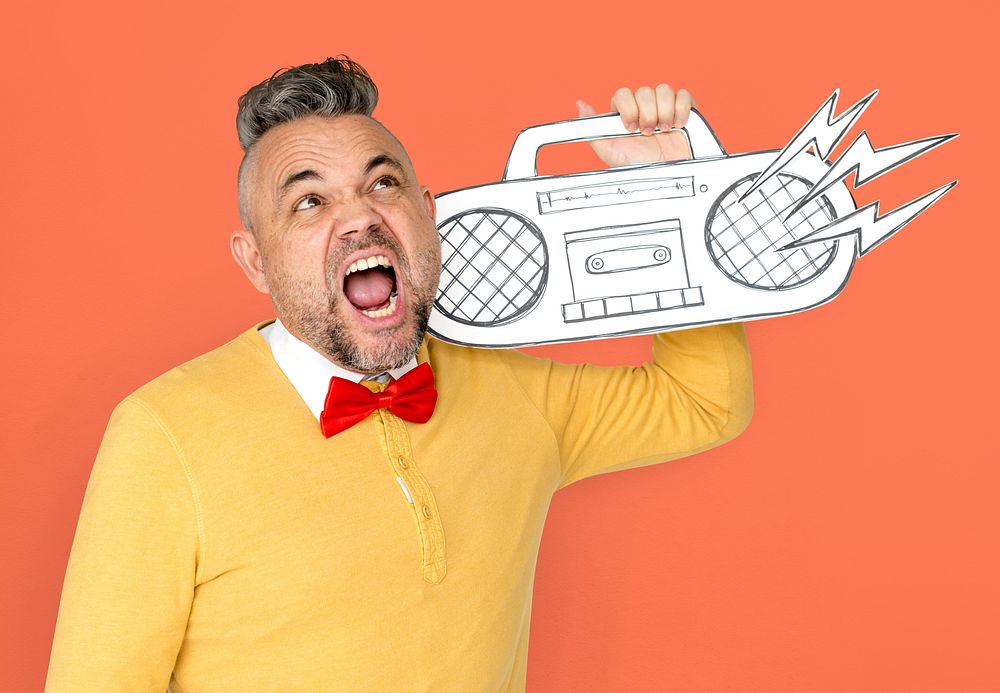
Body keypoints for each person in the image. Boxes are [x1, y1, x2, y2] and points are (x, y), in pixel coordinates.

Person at [45, 57, 753, 691]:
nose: (360, 219)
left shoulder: (512, 393)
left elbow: (704, 403)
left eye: (382, 183)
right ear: (254, 260)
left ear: (430, 216)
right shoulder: (164, 435)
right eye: (309, 201)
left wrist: (668, 196)